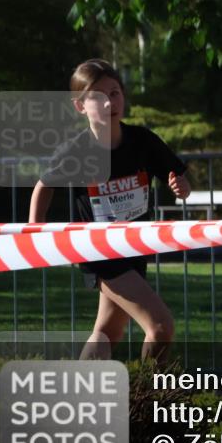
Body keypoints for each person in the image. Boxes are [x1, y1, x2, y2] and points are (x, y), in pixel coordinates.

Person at [29, 59, 190, 364]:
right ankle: (151, 398)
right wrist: (35, 231)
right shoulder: (78, 150)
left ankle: (79, 401)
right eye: (98, 97)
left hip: (134, 247)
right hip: (99, 252)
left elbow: (180, 180)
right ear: (80, 106)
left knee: (107, 332)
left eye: (114, 93)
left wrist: (181, 187)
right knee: (160, 326)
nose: (109, 103)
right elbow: (44, 186)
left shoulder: (142, 141)